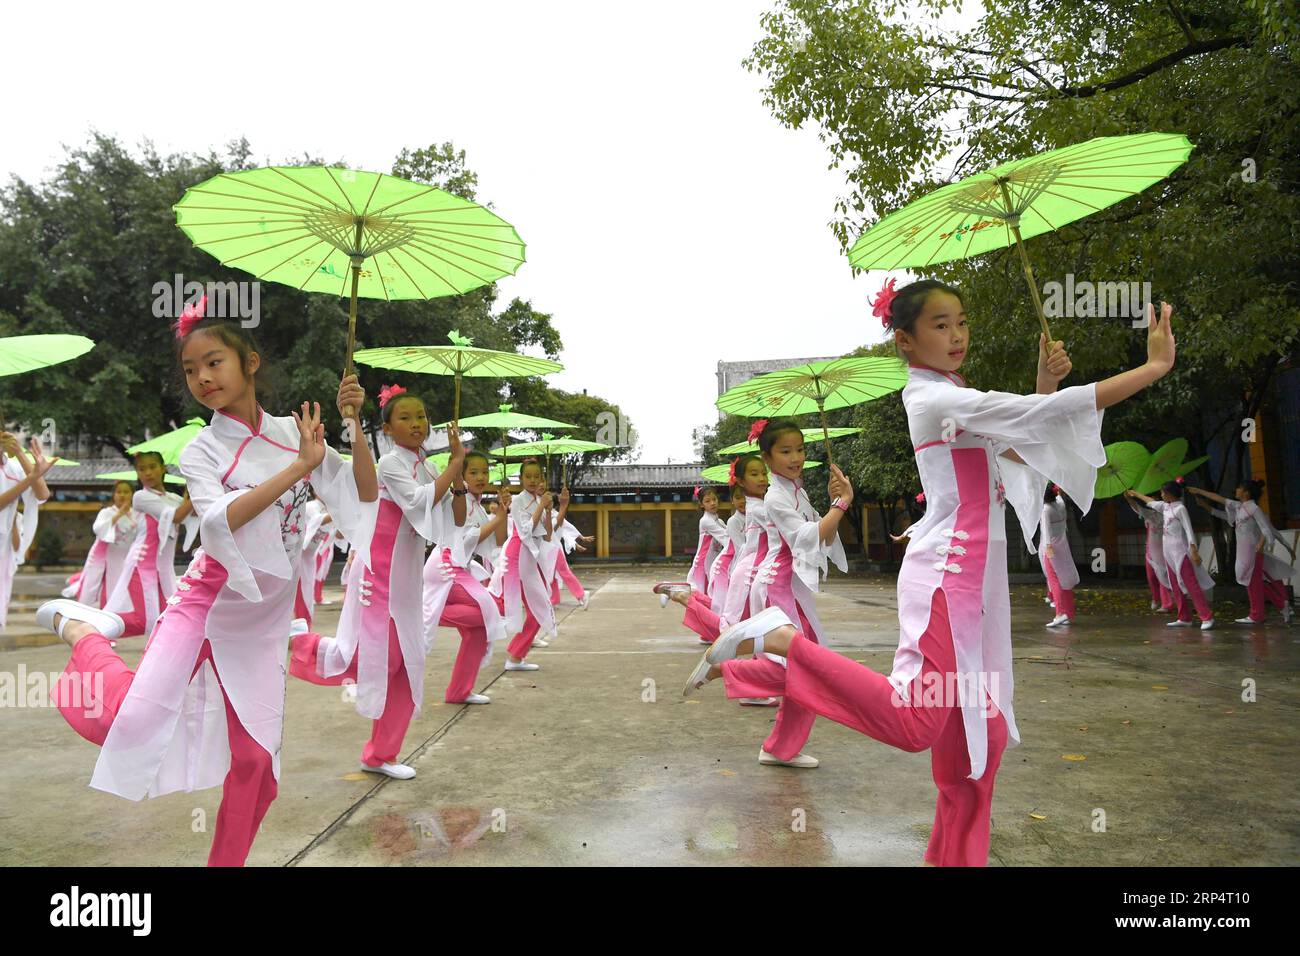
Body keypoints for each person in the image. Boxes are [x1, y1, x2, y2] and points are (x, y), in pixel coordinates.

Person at [686, 279, 1177, 866]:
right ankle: (779, 638)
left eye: (962, 322)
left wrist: (1045, 384)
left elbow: (1020, 441)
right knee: (916, 721)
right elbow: (1042, 415)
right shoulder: (931, 399)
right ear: (905, 341)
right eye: (941, 325)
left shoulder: (956, 394)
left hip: (980, 590)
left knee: (979, 748)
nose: (958, 335)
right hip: (945, 578)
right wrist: (1153, 367)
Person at [38, 302, 378, 866]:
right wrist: (297, 469)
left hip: (262, 623)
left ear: (250, 362)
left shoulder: (297, 433)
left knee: (256, 767)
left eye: (213, 362)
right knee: (128, 721)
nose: (201, 378)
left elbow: (362, 496)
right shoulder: (202, 450)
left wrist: (352, 423)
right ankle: (83, 632)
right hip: (208, 603)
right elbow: (219, 519)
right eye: (190, 369)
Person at [291, 386, 461, 780]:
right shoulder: (390, 465)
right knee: (370, 658)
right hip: (379, 572)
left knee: (405, 664)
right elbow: (418, 504)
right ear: (386, 428)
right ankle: (298, 643)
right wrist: (453, 466)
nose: (416, 423)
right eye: (405, 417)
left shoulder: (431, 466)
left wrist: (460, 483)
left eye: (421, 416)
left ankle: (380, 754)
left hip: (407, 580)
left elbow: (450, 518)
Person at [1188, 480, 1296, 624]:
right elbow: (1217, 499)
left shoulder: (1254, 509)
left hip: (1253, 551)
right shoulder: (1239, 507)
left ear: (1246, 492)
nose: (1236, 489)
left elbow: (1266, 528)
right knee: (1252, 582)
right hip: (1244, 552)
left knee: (1253, 583)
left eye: (1239, 488)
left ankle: (1258, 614)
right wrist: (1200, 493)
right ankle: (1280, 606)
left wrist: (1261, 544)